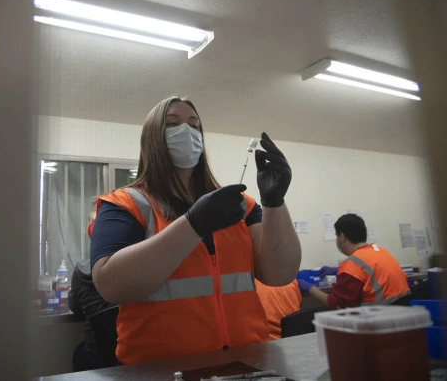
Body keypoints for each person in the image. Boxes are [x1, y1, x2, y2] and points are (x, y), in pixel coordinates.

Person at [90, 96, 301, 365]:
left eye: (194, 125)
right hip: (161, 370)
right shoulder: (125, 204)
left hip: (245, 363)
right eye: (172, 124)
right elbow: (111, 285)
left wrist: (275, 203)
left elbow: (280, 274)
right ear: (152, 138)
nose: (187, 132)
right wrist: (193, 224)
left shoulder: (240, 206)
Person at [298, 214, 410, 309]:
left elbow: (337, 305)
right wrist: (337, 270)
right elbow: (371, 272)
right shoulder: (380, 251)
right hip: (403, 315)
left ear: (342, 237)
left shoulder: (351, 265)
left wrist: (309, 288)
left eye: (337, 236)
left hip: (378, 322)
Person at [69, 210, 115, 371]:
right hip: (131, 355)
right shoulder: (131, 264)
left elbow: (75, 308)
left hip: (97, 358)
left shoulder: (81, 270)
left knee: (79, 353)